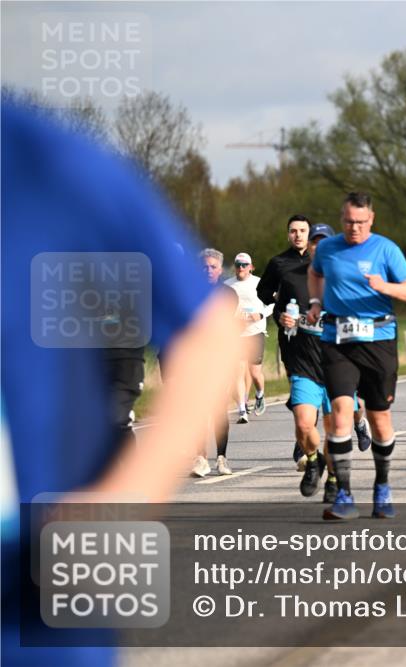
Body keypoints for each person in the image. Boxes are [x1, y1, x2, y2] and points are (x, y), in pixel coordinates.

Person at [2, 99, 242, 667]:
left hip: (32, 596)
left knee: (115, 421)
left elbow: (210, 333)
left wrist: (122, 500)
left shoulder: (47, 164)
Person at [308, 192, 406, 520]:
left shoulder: (386, 249)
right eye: (348, 222)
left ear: (371, 219)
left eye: (360, 222)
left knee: (379, 419)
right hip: (337, 339)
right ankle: (344, 495)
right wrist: (315, 303)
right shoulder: (328, 248)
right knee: (341, 412)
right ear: (341, 219)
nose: (354, 228)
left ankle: (382, 487)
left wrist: (385, 287)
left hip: (378, 340)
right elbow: (315, 273)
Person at [258, 215, 371, 468]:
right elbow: (268, 297)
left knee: (352, 405)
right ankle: (305, 439)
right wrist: (282, 312)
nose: (298, 236)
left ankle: (359, 423)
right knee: (305, 399)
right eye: (294, 231)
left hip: (337, 351)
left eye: (303, 231)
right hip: (297, 345)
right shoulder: (283, 266)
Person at [267, 223, 340, 499]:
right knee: (304, 424)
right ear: (309, 247)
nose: (318, 248)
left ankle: (333, 477)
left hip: (338, 365)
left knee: (335, 430)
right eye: (315, 243)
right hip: (304, 362)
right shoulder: (293, 276)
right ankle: (312, 461)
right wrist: (283, 319)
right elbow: (279, 309)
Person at [191, 248, 241, 477]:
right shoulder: (189, 292)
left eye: (213, 266)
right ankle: (201, 458)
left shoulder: (228, 294)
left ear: (220, 269)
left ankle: (222, 457)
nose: (208, 270)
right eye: (204, 267)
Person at [225, 252, 273, 423]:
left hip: (255, 331)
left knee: (254, 372)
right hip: (236, 334)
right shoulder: (227, 285)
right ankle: (242, 411)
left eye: (244, 265)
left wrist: (261, 314)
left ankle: (260, 394)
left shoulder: (260, 283)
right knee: (238, 372)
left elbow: (272, 303)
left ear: (251, 267)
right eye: (238, 264)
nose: (241, 268)